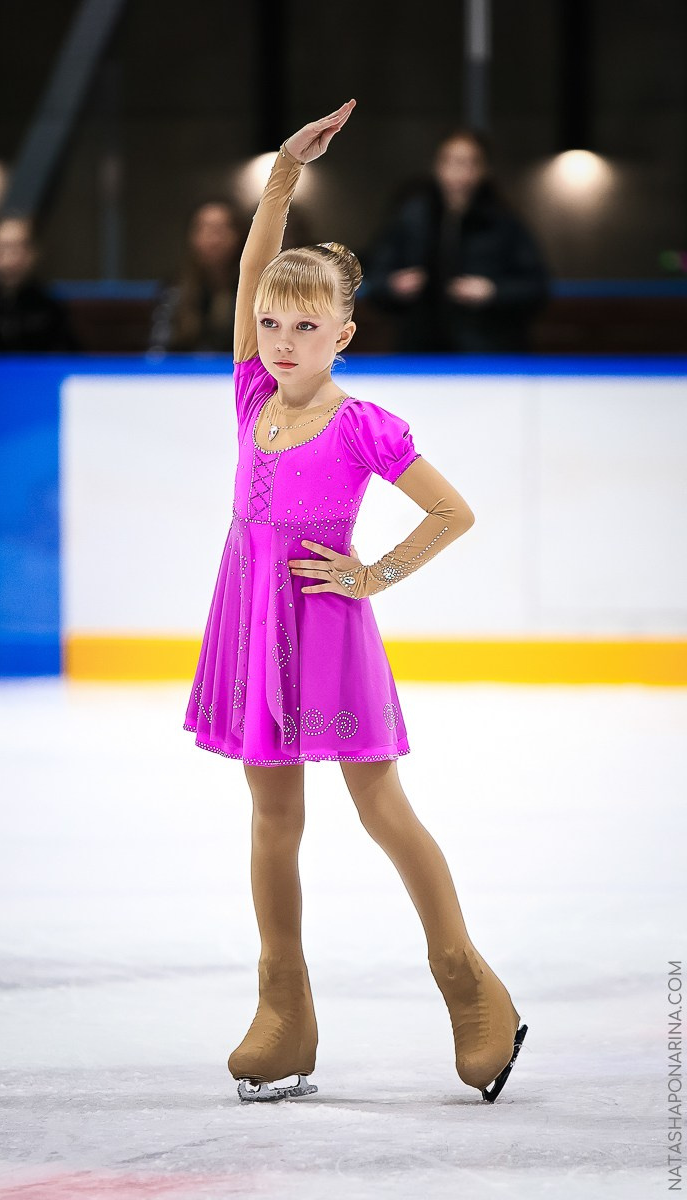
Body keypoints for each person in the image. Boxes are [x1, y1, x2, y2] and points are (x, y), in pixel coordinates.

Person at [182, 100, 528, 1104]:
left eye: (304, 324)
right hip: (252, 622)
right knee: (268, 818)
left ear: (343, 329)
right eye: (269, 324)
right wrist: (283, 172)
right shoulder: (251, 398)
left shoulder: (362, 422)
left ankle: (469, 987)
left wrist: (373, 575)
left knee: (378, 805)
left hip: (325, 626)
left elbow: (451, 511)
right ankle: (283, 1009)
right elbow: (254, 265)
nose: (281, 338)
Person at [366, 129, 549, 352]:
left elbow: (537, 287)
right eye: (450, 161)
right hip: (419, 351)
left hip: (487, 351)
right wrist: (393, 285)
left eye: (469, 163)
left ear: (484, 170)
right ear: (437, 166)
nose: (458, 172)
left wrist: (492, 292)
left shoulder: (504, 222)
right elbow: (376, 279)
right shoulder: (411, 217)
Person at [0, 216, 79, 353]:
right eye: (2, 248)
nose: (10, 258)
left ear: (32, 254)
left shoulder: (51, 307)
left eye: (18, 248)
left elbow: (70, 358)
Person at [150, 199, 246, 353]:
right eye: (204, 229)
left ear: (238, 236)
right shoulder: (174, 287)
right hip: (183, 374)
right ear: (192, 237)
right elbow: (159, 348)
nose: (213, 240)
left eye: (220, 230)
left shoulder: (255, 288)